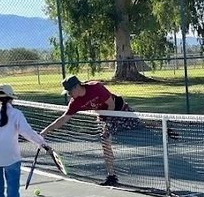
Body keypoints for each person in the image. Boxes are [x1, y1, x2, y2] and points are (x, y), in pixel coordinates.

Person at [41, 75, 174, 186]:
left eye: (70, 91)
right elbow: (64, 119)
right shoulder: (74, 102)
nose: (69, 94)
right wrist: (46, 130)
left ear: (77, 87)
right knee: (105, 142)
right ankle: (112, 176)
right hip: (105, 117)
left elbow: (110, 104)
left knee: (142, 122)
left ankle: (164, 126)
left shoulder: (96, 87)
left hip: (120, 110)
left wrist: (108, 121)